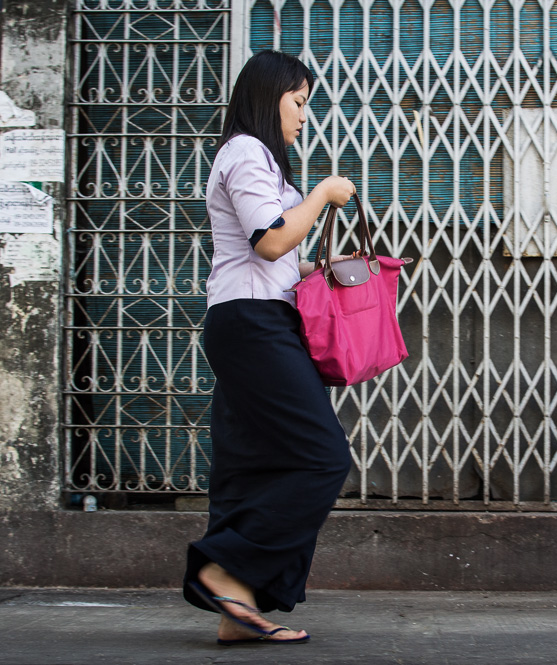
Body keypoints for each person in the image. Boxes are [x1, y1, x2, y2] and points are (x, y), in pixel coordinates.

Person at [182, 50, 357, 645]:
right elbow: (269, 241)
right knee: (322, 456)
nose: (304, 116)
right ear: (269, 96)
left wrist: (320, 265)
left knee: (249, 466)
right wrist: (324, 192)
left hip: (249, 317)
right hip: (253, 327)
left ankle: (240, 610)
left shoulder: (257, 162)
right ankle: (225, 567)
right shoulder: (245, 153)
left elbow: (274, 254)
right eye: (299, 102)